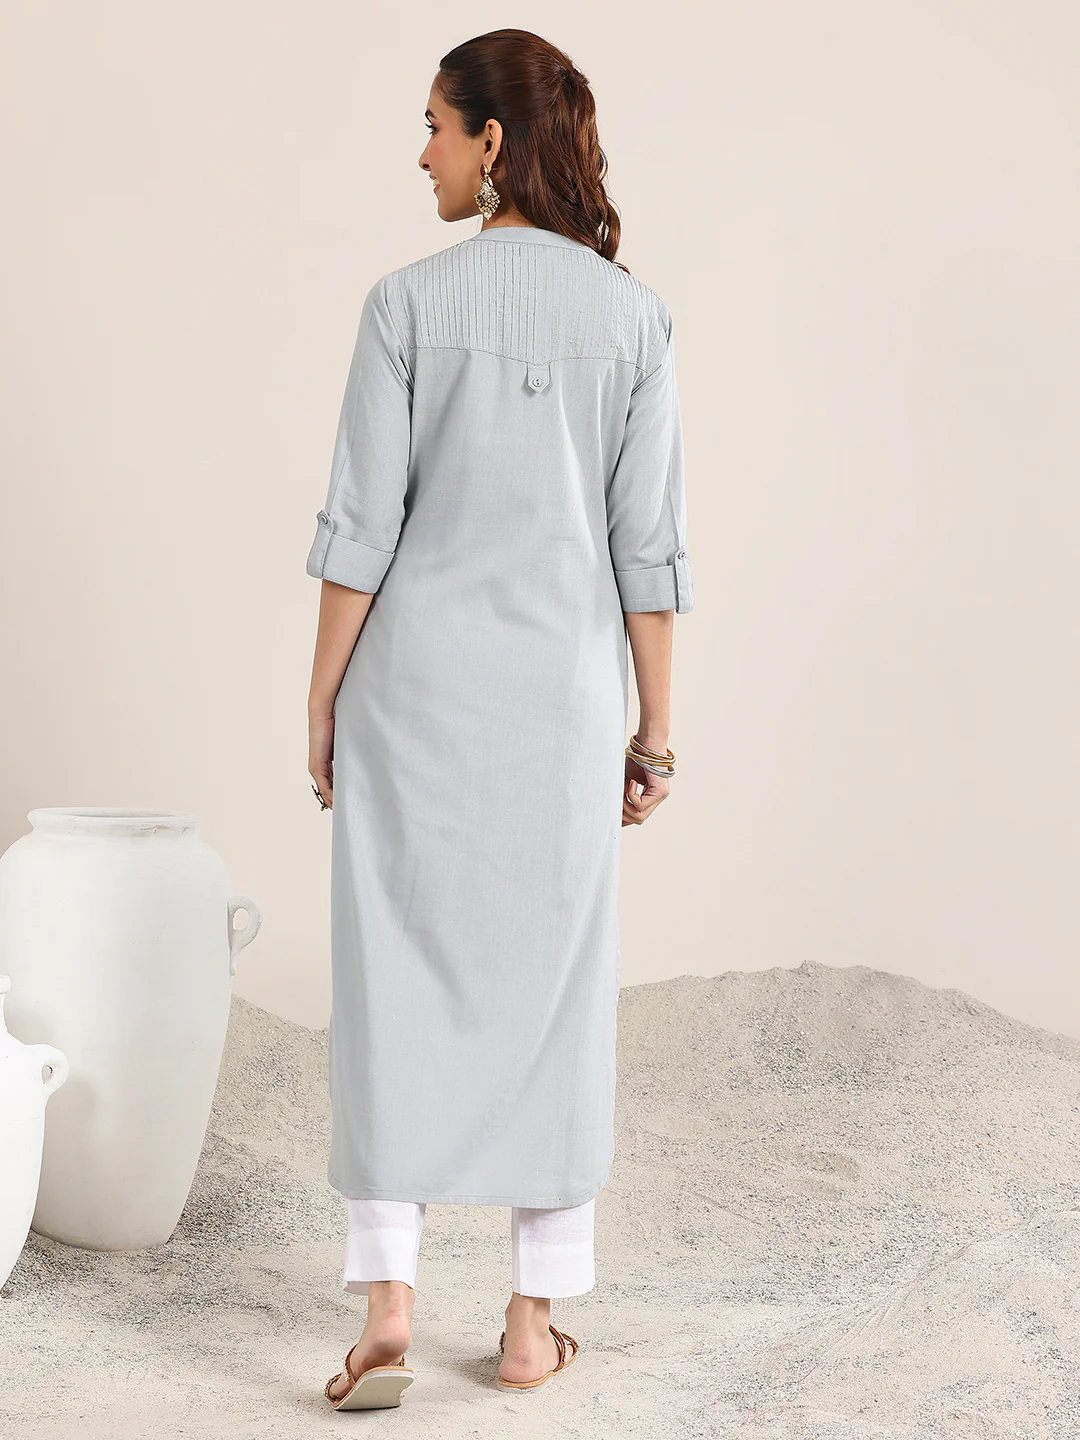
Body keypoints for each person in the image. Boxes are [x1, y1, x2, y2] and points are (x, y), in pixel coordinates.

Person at [306, 28, 694, 1410]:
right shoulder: (634, 321)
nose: (420, 154)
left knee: (389, 980)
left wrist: (321, 699)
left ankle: (390, 1305)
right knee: (559, 991)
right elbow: (648, 554)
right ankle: (530, 1326)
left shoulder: (405, 306)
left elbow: (362, 529)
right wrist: (655, 733)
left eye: (433, 126)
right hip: (561, 708)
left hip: (411, 699)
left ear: (491, 141)